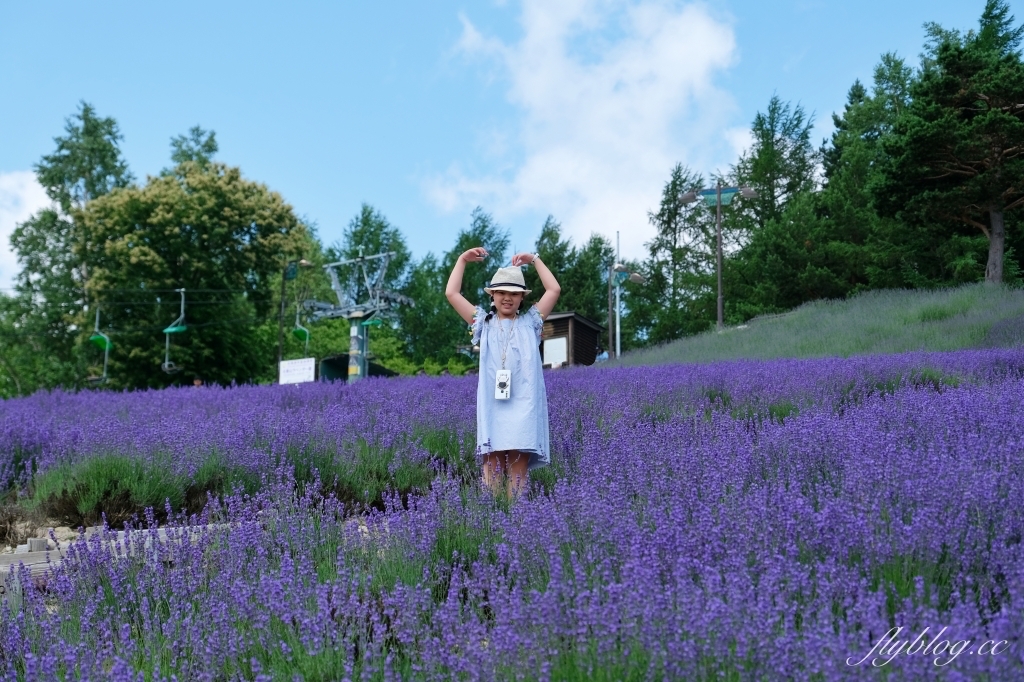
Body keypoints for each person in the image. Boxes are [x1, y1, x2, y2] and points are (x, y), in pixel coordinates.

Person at [445, 247, 560, 498]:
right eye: (502, 292)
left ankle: (516, 521)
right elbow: (451, 293)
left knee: (519, 462)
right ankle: (492, 521)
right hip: (493, 403)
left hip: (524, 403)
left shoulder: (531, 322)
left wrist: (535, 260)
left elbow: (554, 290)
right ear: (493, 295)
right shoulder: (482, 323)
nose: (507, 298)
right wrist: (462, 260)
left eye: (514, 293)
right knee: (492, 461)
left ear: (522, 298)